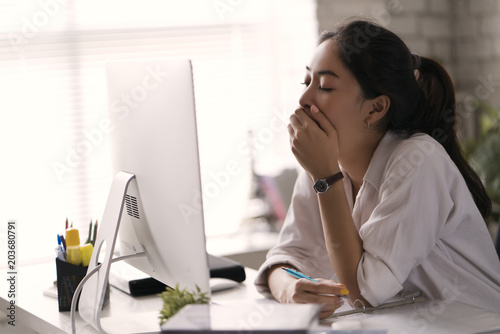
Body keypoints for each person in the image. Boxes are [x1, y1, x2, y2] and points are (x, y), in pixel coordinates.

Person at [254, 19, 500, 319]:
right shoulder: (323, 163)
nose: (304, 100)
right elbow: (286, 257)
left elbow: (361, 294)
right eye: (306, 83)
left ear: (376, 108)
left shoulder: (418, 159)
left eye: (325, 86)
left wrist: (325, 179)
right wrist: (289, 290)